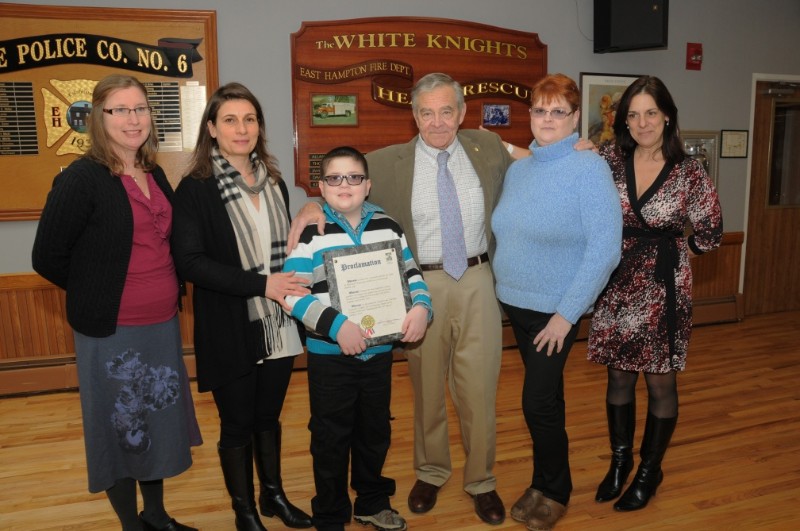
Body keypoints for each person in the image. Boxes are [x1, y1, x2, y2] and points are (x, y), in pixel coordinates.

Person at [289, 72, 513, 526]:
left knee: (479, 388)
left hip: (477, 276)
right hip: (417, 286)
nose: (437, 122)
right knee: (427, 387)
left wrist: (578, 147)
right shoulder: (386, 162)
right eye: (426, 112)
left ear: (462, 113)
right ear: (413, 115)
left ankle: (481, 481)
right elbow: (341, 185)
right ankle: (431, 472)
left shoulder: (487, 148)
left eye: (446, 111)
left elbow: (530, 163)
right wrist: (312, 204)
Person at [32, 74, 201, 531]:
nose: (133, 119)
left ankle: (158, 517)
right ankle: (132, 526)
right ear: (98, 118)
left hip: (161, 325)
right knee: (121, 426)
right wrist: (98, 291)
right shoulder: (81, 179)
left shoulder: (155, 172)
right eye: (120, 110)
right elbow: (46, 257)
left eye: (141, 109)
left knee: (156, 423)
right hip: (111, 332)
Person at [170, 82, 313, 531]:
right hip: (229, 324)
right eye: (230, 120)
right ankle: (244, 511)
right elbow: (191, 263)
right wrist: (262, 284)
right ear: (211, 128)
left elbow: (289, 248)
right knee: (236, 424)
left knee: (267, 417)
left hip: (278, 323)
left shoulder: (274, 182)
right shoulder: (194, 189)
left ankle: (273, 497)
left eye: (249, 119)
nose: (241, 128)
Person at [492, 74, 623, 531]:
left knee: (537, 403)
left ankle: (556, 489)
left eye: (558, 112)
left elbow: (606, 248)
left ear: (574, 119)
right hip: (517, 305)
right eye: (540, 110)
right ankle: (541, 481)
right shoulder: (521, 168)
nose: (547, 120)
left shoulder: (589, 167)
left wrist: (567, 317)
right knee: (548, 398)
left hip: (555, 313)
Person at [587, 76, 723, 512]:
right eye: (633, 114)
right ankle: (620, 462)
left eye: (650, 112)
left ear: (666, 114)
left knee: (660, 382)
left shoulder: (689, 171)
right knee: (618, 376)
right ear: (623, 120)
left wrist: (679, 252)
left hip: (663, 289)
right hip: (616, 281)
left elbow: (712, 231)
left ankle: (649, 470)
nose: (642, 122)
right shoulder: (609, 158)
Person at [283, 146, 431, 531]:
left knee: (375, 431)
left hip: (378, 354)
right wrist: (336, 326)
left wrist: (421, 308)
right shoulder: (309, 234)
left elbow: (412, 274)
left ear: (368, 185)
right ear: (322, 186)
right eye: (334, 178)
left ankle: (371, 501)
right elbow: (291, 295)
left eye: (353, 178)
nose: (344, 185)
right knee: (330, 437)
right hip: (329, 356)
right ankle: (330, 513)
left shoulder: (388, 225)